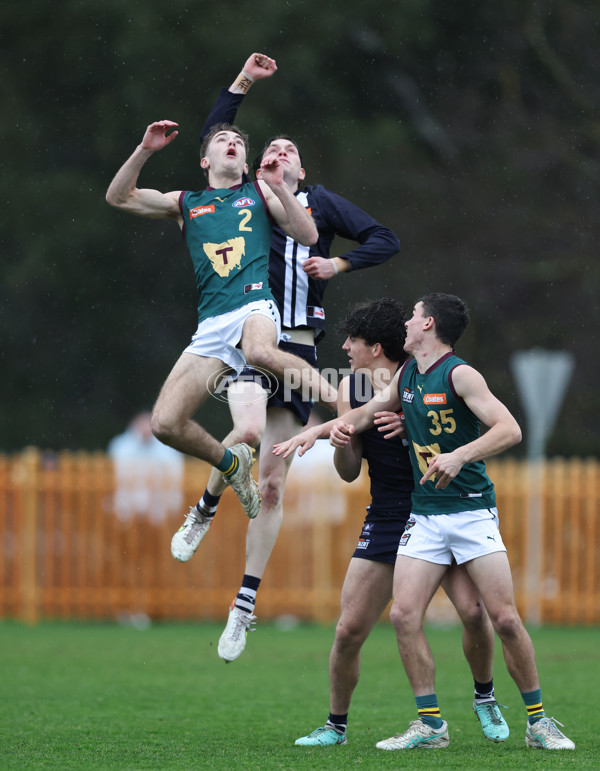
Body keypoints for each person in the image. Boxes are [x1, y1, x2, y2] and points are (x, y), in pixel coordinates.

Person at [169, 53, 400, 665]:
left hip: (300, 344)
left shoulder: (316, 206)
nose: (276, 154)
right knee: (244, 432)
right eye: (267, 150)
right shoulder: (249, 200)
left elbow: (386, 238)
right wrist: (242, 85)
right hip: (253, 334)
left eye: (287, 150)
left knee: (272, 485)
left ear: (302, 166)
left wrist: (339, 263)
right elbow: (215, 137)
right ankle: (206, 507)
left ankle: (242, 606)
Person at [275, 293, 575, 751]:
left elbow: (509, 429)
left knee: (499, 619)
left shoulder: (459, 373)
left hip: (470, 509)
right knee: (397, 616)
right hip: (423, 514)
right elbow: (362, 418)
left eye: (414, 316)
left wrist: (457, 454)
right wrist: (318, 433)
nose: (406, 323)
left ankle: (529, 717)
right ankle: (426, 725)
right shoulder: (405, 376)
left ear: (428, 324)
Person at [105, 116, 337, 526]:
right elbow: (119, 198)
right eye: (222, 140)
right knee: (164, 424)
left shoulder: (259, 192)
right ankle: (229, 464)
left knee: (259, 351)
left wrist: (280, 185)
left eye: (237, 142)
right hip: (211, 324)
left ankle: (338, 401)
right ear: (205, 161)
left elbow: (307, 236)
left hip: (255, 307)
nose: (231, 142)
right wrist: (145, 150)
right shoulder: (186, 203)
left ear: (246, 164)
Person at [108, 411, 183, 522]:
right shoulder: (122, 445)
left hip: (159, 498)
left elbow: (174, 471)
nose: (146, 430)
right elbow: (117, 471)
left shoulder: (167, 448)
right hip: (128, 496)